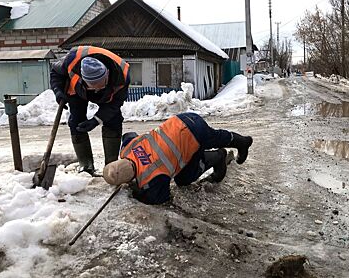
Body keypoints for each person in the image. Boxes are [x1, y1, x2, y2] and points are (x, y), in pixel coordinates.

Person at [102, 113, 253, 205]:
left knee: (184, 180)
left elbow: (160, 198)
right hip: (180, 120)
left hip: (192, 133)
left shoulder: (151, 177)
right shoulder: (127, 149)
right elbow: (129, 135)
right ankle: (242, 142)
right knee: (216, 137)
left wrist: (136, 192)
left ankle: (219, 156)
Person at [50, 45, 130, 175]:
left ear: (107, 74)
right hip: (78, 91)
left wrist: (96, 120)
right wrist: (58, 92)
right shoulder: (71, 61)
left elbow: (115, 104)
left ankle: (110, 167)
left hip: (108, 95)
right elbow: (55, 73)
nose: (96, 89)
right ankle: (86, 166)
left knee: (113, 120)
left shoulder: (122, 75)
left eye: (100, 84)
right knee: (76, 121)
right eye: (92, 86)